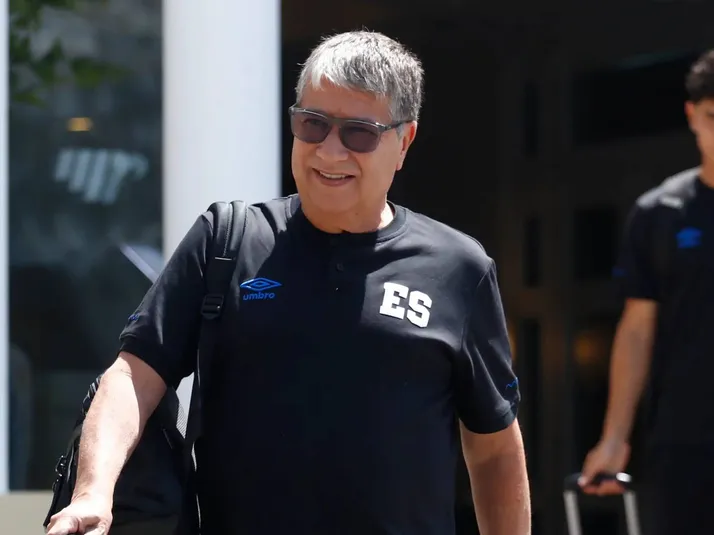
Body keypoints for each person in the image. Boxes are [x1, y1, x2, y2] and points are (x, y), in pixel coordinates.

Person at [46, 31, 530, 535]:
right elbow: (132, 376)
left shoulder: (458, 268)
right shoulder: (227, 241)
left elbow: (494, 448)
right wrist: (93, 493)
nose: (330, 151)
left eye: (359, 133)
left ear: (403, 141)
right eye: (313, 124)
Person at [579, 49, 714, 535]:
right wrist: (614, 438)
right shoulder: (660, 212)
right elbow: (637, 329)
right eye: (713, 117)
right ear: (691, 115)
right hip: (685, 438)